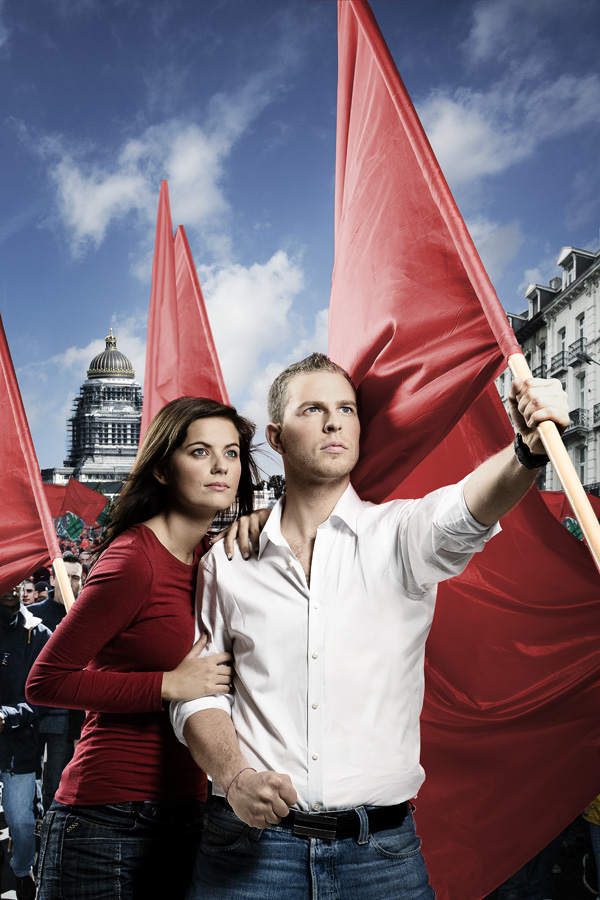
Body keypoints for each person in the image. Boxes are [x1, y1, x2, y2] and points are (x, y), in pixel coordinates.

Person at [170, 353, 570, 900]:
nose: (335, 422)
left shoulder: (400, 535)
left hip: (380, 858)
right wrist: (236, 778)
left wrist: (525, 452)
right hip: (249, 852)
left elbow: (465, 512)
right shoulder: (228, 561)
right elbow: (196, 695)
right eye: (313, 409)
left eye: (347, 409)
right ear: (276, 437)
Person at [27, 397, 259, 900]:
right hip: (108, 818)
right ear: (160, 468)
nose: (222, 466)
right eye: (200, 452)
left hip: (191, 812)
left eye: (233, 452)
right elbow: (45, 681)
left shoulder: (210, 558)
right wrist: (169, 685)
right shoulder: (134, 560)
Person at [0, 585, 52, 900]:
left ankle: (22, 871)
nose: (13, 587)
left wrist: (10, 717)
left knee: (21, 822)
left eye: (20, 580)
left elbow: (44, 693)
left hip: (19, 743)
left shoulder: (38, 633)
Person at [29, 553, 83, 812]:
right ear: (52, 577)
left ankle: (47, 834)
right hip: (30, 710)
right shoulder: (31, 616)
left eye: (76, 577)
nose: (70, 582)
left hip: (64, 715)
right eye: (66, 575)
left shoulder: (85, 616)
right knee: (27, 781)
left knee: (56, 784)